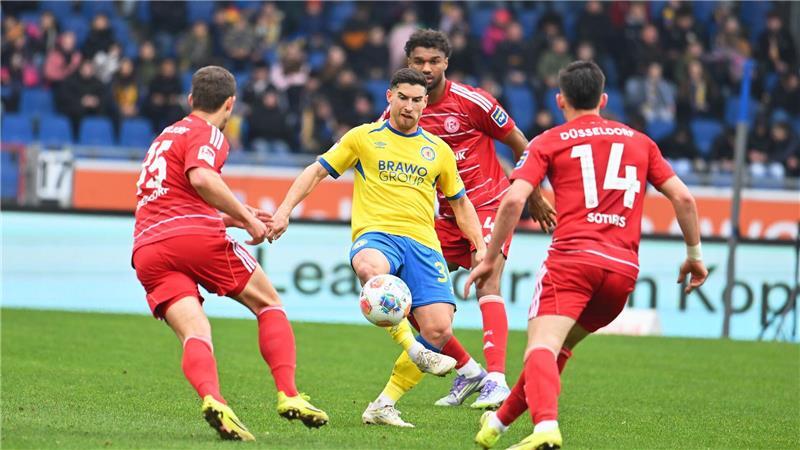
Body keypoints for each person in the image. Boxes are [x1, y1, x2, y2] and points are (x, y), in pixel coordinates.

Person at [467, 61, 708, 449]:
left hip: (573, 261)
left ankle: (545, 428)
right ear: (604, 99)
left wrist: (491, 256)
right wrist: (694, 254)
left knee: (540, 348)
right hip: (622, 272)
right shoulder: (640, 141)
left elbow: (514, 199)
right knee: (555, 351)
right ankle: (497, 424)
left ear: (560, 100)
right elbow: (683, 197)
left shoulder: (550, 140)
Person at [269, 68, 486, 427]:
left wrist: (479, 246)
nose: (409, 106)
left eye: (417, 100)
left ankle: (383, 405)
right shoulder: (364, 137)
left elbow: (461, 204)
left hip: (423, 244)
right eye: (403, 98)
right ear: (389, 97)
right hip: (378, 234)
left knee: (438, 331)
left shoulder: (438, 150)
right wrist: (283, 212)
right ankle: (413, 348)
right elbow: (316, 171)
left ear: (425, 103)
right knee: (371, 270)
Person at [131, 66, 328, 442]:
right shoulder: (209, 132)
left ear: (191, 100)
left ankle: (214, 399)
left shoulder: (165, 136)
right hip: (195, 239)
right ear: (230, 104)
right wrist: (247, 218)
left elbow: (172, 200)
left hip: (148, 247)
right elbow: (201, 178)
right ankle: (288, 393)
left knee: (195, 331)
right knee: (269, 304)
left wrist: (235, 219)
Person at [377, 29, 555, 411]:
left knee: (486, 277)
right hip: (440, 219)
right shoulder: (402, 110)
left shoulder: (472, 102)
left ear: (446, 63)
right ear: (408, 63)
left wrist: (534, 194)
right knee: (412, 300)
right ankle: (468, 369)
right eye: (419, 61)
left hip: (488, 205)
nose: (426, 68)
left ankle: (496, 380)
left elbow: (521, 143)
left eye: (434, 61)